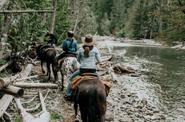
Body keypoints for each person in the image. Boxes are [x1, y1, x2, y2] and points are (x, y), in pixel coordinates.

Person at [65, 34, 101, 100]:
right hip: (93, 70)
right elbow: (99, 61)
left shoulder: (81, 49)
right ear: (92, 41)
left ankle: (68, 94)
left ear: (85, 41)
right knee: (100, 81)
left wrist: (84, 63)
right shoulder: (95, 49)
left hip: (82, 70)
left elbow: (78, 60)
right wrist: (93, 63)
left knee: (71, 79)